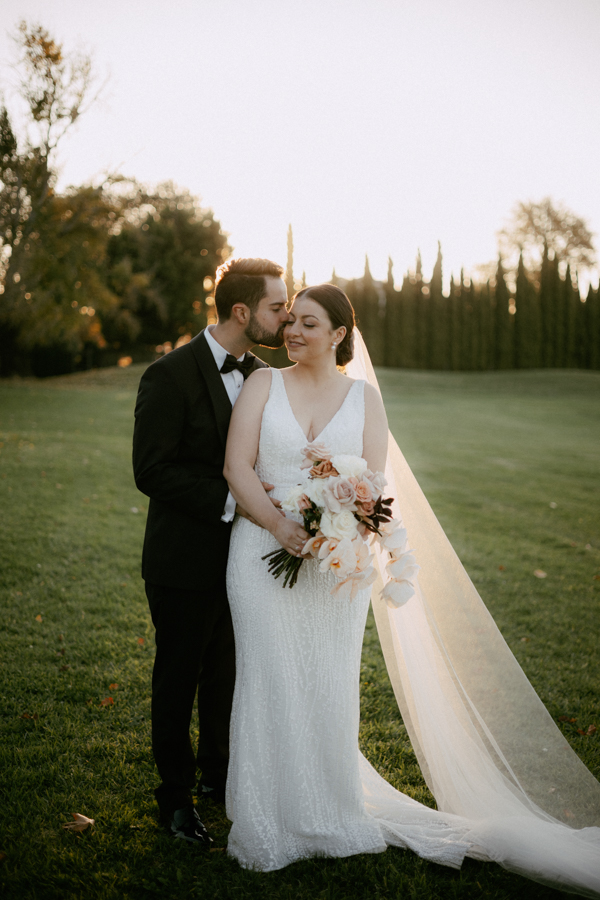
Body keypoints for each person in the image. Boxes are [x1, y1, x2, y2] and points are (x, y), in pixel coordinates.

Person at [223, 284, 600, 895]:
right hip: (261, 554)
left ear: (340, 333)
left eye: (308, 324)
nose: (293, 332)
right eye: (290, 321)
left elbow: (371, 483)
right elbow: (237, 465)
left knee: (326, 680)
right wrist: (280, 524)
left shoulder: (364, 398)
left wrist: (339, 534)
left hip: (335, 565)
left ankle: (328, 809)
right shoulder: (262, 384)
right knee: (268, 676)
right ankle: (268, 815)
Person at [132, 257, 290, 845]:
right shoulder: (168, 375)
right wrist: (233, 502)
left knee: (228, 674)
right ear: (242, 311)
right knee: (179, 677)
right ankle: (174, 801)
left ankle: (218, 779)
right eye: (277, 306)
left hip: (245, 561)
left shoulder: (265, 376)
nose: (287, 315)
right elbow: (150, 469)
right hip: (182, 559)